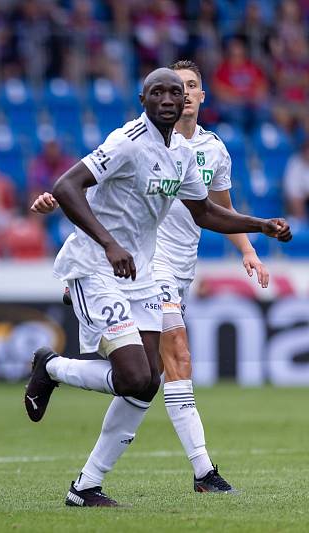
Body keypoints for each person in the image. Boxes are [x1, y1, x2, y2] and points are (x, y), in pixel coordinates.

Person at [23, 68, 291, 507]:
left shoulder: (182, 153)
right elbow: (65, 186)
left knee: (147, 382)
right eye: (158, 92)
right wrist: (109, 245)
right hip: (95, 267)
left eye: (176, 91)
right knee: (132, 376)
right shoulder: (126, 141)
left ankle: (85, 487)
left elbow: (204, 212)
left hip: (139, 274)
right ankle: (50, 367)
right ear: (142, 98)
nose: (169, 98)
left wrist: (259, 225)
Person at [153, 60, 272, 493]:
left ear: (202, 96)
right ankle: (205, 471)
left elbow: (220, 209)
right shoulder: (146, 141)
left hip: (184, 268)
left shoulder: (214, 150)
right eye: (175, 86)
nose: (183, 93)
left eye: (191, 86)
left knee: (142, 378)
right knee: (179, 357)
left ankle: (54, 369)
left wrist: (248, 250)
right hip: (151, 265)